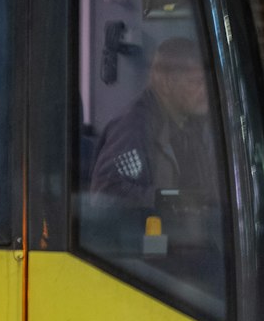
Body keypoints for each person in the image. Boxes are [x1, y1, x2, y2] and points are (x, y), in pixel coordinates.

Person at [90, 37, 215, 208]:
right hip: (146, 233)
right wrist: (172, 200)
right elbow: (107, 193)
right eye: (196, 82)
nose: (205, 91)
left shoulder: (192, 125)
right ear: (165, 82)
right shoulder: (134, 129)